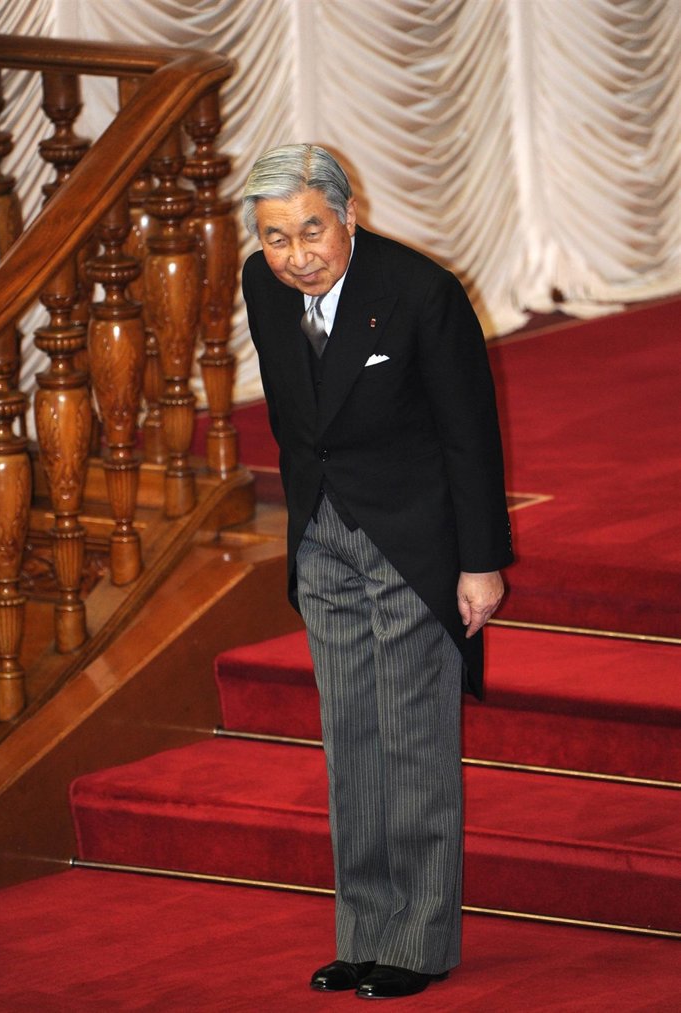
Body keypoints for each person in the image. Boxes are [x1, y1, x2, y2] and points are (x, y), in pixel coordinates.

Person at [241, 144, 513, 1000]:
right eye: (277, 237)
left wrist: (480, 565)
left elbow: (472, 436)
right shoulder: (261, 285)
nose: (296, 255)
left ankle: (422, 939)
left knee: (413, 740)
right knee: (350, 740)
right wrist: (306, 520)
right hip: (323, 540)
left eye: (310, 231)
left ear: (346, 215)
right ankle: (364, 932)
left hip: (413, 544)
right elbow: (297, 417)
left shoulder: (422, 295)